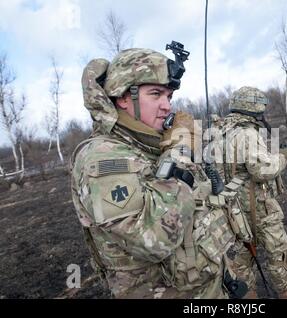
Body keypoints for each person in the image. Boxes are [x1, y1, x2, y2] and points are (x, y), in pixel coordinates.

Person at [70, 47, 247, 299]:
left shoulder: (148, 143)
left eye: (169, 96)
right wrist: (181, 149)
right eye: (155, 94)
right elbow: (153, 238)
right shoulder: (102, 157)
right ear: (122, 97)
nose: (167, 106)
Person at [209, 86, 287, 299]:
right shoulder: (247, 133)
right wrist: (283, 157)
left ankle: (248, 296)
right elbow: (262, 169)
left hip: (234, 205)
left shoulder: (222, 131)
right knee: (277, 248)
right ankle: (285, 293)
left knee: (243, 251)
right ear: (254, 108)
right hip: (257, 203)